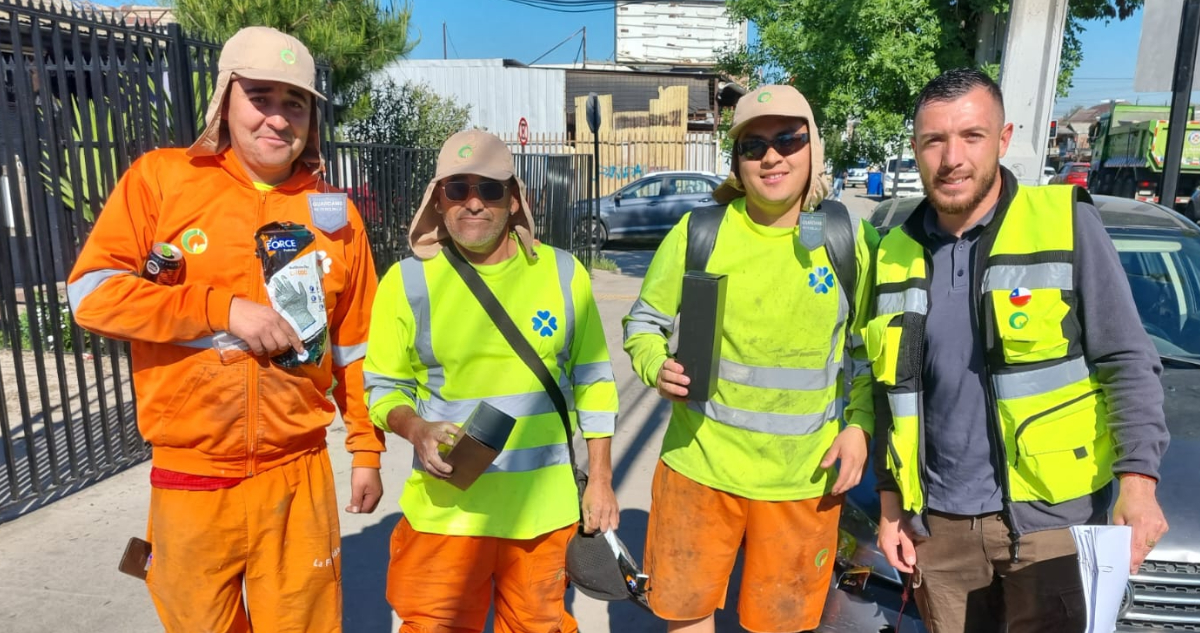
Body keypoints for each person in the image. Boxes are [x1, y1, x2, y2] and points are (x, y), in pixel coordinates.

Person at [66, 26, 384, 632]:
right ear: (224, 100)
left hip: (298, 479)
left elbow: (355, 348)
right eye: (260, 96)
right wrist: (221, 308)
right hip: (191, 478)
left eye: (295, 103)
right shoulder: (162, 180)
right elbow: (92, 295)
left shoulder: (336, 219)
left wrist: (365, 451)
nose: (278, 118)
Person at [868, 68, 1170, 633]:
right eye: (934, 140)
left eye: (972, 136)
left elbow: (1126, 360)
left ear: (1003, 140)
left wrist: (1138, 482)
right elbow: (891, 395)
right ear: (915, 148)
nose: (951, 157)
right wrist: (891, 505)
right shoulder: (894, 252)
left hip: (1054, 524)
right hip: (939, 528)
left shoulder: (1065, 223)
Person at [623, 85, 879, 633]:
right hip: (698, 471)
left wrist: (858, 426)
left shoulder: (849, 238)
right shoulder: (700, 232)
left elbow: (870, 350)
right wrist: (654, 366)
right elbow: (643, 323)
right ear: (736, 162)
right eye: (754, 145)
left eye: (789, 139)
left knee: (781, 625)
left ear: (814, 147)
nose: (772, 156)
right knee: (686, 613)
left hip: (804, 481)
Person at [363, 129, 619, 633]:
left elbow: (595, 382)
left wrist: (602, 481)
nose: (473, 203)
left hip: (542, 519)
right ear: (438, 198)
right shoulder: (408, 283)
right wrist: (416, 429)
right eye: (457, 189)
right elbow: (384, 388)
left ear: (515, 197)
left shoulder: (564, 274)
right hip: (446, 517)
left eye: (490, 189)